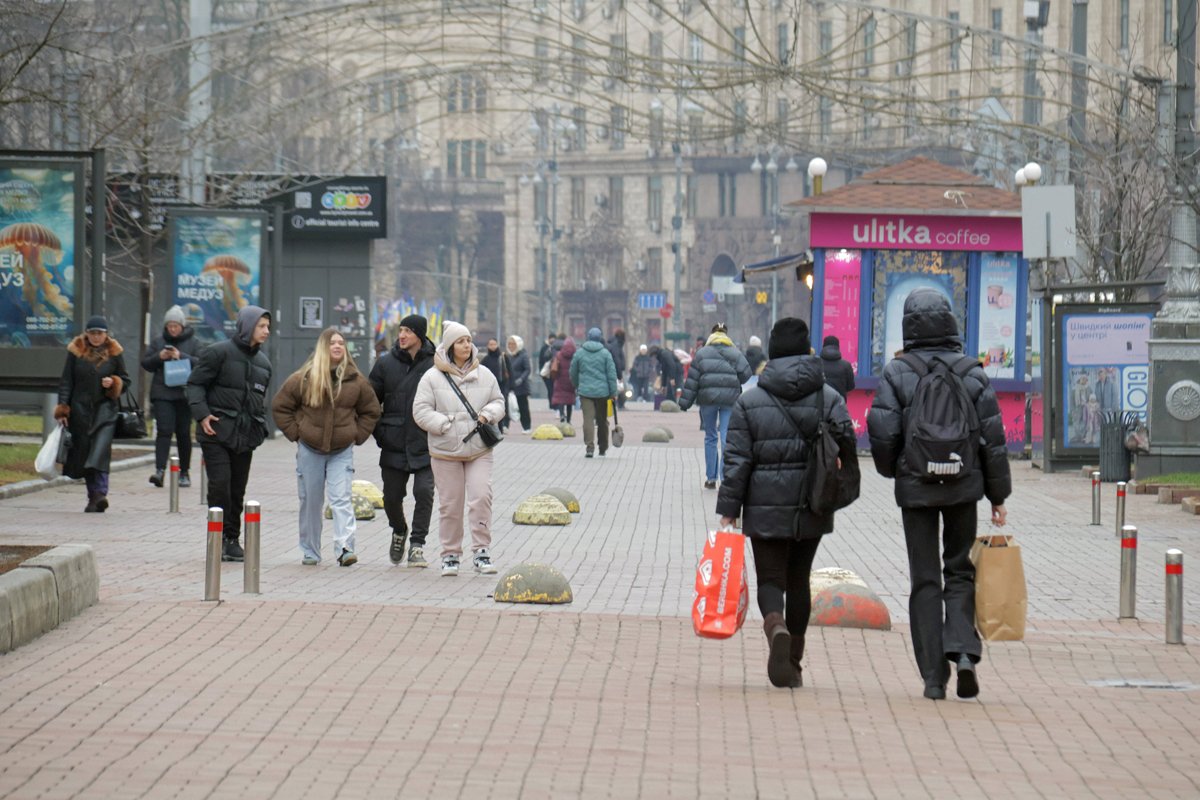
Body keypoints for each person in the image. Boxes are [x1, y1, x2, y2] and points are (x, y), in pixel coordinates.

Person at [866, 288, 1011, 701]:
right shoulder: (972, 371)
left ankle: (933, 676)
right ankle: (964, 652)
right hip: (964, 484)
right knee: (961, 570)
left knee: (925, 578)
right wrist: (997, 495)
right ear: (950, 323)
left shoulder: (898, 372)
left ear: (908, 326)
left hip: (917, 487)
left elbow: (883, 432)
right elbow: (993, 441)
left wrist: (895, 470)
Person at [716, 317, 856, 688]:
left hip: (764, 506)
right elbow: (848, 445)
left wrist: (729, 509)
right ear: (808, 350)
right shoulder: (830, 398)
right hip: (813, 502)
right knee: (799, 580)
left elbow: (737, 461)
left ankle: (774, 625)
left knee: (771, 579)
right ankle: (793, 658)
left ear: (772, 354)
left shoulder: (749, 402)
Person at [272, 328, 380, 566]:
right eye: (333, 343)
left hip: (341, 450)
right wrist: (296, 433)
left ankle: (345, 548)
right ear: (323, 347)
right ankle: (310, 550)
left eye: (341, 343)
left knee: (341, 498)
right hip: (309, 449)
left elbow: (371, 411)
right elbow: (281, 407)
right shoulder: (305, 377)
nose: (338, 346)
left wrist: (357, 435)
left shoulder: (356, 380)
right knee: (311, 500)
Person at [413, 321, 505, 577]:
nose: (467, 345)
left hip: (478, 449)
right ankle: (450, 554)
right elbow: (420, 411)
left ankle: (482, 551)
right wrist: (443, 424)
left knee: (481, 497)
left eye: (468, 340)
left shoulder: (485, 374)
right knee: (451, 504)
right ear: (450, 346)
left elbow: (499, 401)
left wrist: (488, 414)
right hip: (445, 451)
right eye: (461, 341)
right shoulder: (432, 377)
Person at [187, 305, 273, 562]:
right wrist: (202, 415)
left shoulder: (264, 364)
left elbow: (259, 400)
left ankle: (232, 540)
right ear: (247, 326)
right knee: (220, 484)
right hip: (215, 432)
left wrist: (259, 424)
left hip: (245, 437)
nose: (267, 331)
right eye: (261, 326)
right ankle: (219, 535)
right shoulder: (217, 353)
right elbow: (195, 384)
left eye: (268, 327)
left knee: (237, 489)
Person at [369, 314, 437, 567]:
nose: (402, 335)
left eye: (408, 330)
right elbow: (369, 401)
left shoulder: (436, 364)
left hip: (426, 442)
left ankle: (417, 545)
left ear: (419, 334)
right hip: (393, 441)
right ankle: (399, 530)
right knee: (391, 497)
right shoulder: (384, 364)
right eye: (401, 330)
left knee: (424, 492)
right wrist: (380, 432)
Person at [55, 315, 130, 513]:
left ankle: (100, 493)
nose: (96, 337)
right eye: (93, 333)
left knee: (100, 453)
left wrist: (114, 383)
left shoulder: (114, 352)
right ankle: (93, 497)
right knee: (86, 454)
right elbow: (66, 382)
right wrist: (63, 408)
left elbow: (125, 380)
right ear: (87, 334)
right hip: (80, 412)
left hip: (105, 411)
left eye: (100, 333)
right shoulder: (76, 351)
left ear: (106, 335)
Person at [679, 323, 752, 489]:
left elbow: (692, 380)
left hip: (708, 400)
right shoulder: (735, 353)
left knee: (710, 436)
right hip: (730, 400)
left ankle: (710, 478)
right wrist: (735, 381)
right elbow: (747, 373)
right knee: (727, 437)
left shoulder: (702, 353)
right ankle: (725, 478)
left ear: (712, 335)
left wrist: (685, 402)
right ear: (726, 335)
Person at [141, 305, 201, 488]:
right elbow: (146, 363)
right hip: (163, 393)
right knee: (164, 431)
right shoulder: (159, 342)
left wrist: (180, 356)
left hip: (184, 394)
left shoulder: (194, 342)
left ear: (182, 325)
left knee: (183, 433)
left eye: (176, 326)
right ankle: (160, 471)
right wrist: (160, 357)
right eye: (170, 326)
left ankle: (184, 472)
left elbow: (202, 364)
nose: (173, 329)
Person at [570, 327, 618, 458]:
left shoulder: (580, 353)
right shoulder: (605, 353)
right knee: (602, 421)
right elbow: (611, 374)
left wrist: (577, 385)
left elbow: (573, 371)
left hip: (585, 393)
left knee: (588, 420)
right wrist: (613, 392)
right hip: (603, 393)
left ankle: (589, 447)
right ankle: (603, 447)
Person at [481, 337, 511, 432]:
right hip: (489, 388)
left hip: (502, 386)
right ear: (488, 346)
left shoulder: (503, 357)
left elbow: (510, 371)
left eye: (494, 344)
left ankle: (503, 426)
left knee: (502, 406)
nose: (492, 346)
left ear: (497, 345)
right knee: (490, 408)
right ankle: (492, 428)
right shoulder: (485, 359)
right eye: (490, 344)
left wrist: (510, 385)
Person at [506, 335, 533, 434]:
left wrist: (521, 379)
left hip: (521, 386)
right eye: (509, 344)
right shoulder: (507, 356)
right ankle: (505, 426)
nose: (511, 346)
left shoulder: (523, 355)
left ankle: (527, 427)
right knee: (506, 406)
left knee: (523, 407)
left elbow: (527, 369)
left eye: (513, 344)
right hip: (509, 386)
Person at [818, 335, 855, 399]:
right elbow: (850, 387)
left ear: (823, 346)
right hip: (839, 404)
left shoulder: (816, 363)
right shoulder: (846, 365)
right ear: (838, 347)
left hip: (820, 404)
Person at [550, 336, 577, 423]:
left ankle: (562, 415)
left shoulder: (559, 355)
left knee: (561, 399)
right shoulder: (575, 356)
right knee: (569, 401)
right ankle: (568, 420)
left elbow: (554, 366)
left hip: (560, 380)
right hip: (571, 381)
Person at [606, 328, 627, 409]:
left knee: (613, 389)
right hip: (616, 372)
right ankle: (616, 406)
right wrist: (620, 376)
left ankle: (612, 406)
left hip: (612, 370)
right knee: (620, 389)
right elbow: (617, 360)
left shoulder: (613, 343)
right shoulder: (617, 345)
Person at [538, 335, 557, 410]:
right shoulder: (544, 348)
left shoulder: (556, 347)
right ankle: (551, 404)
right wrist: (540, 371)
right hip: (546, 373)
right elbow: (541, 360)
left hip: (554, 371)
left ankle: (554, 404)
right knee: (550, 389)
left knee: (554, 388)